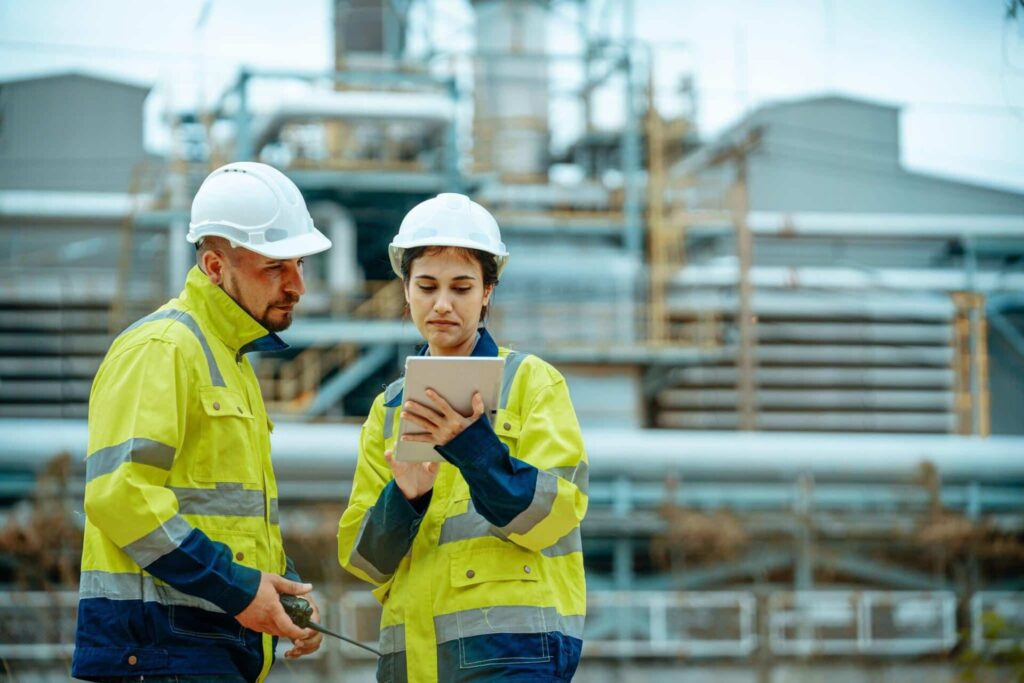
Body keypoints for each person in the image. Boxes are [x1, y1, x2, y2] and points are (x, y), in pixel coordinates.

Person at [73, 162, 332, 682]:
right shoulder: (162, 348)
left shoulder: (229, 362)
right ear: (215, 266)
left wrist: (284, 592)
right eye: (275, 267)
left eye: (299, 263)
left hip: (203, 645)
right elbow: (120, 496)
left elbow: (229, 516)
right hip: (158, 648)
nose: (297, 285)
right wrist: (238, 588)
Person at [338, 193, 588, 682]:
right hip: (412, 661)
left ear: (487, 292)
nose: (442, 304)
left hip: (511, 653)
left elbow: (555, 517)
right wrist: (406, 498)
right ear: (405, 289)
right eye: (427, 286)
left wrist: (475, 450)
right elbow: (364, 561)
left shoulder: (531, 383)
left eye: (462, 287)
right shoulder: (388, 409)